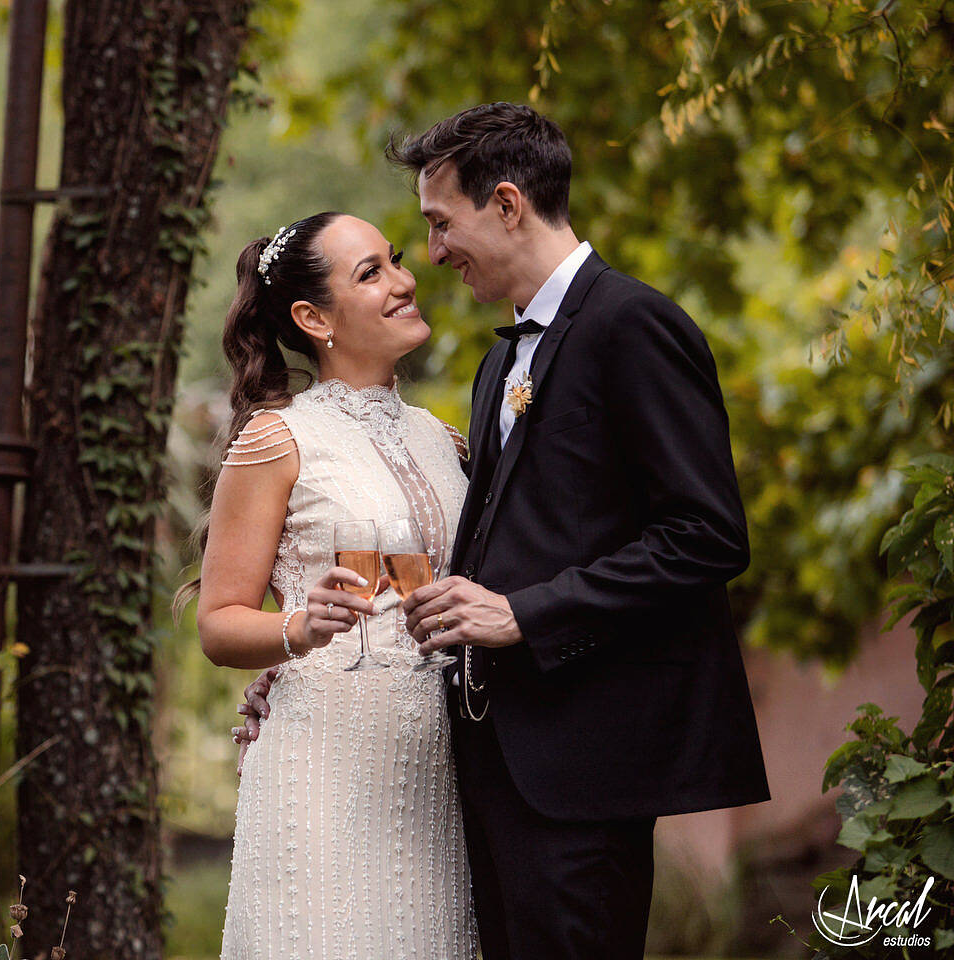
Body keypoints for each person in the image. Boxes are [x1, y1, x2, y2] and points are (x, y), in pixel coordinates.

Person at [235, 103, 770, 960]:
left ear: (509, 205)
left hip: (587, 764)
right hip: (484, 773)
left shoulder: (632, 324)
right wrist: (307, 667)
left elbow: (707, 536)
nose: (433, 256)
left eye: (439, 225)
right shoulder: (497, 367)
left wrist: (526, 613)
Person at [187, 210, 479, 958]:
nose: (406, 281)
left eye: (397, 260)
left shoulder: (445, 440)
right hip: (323, 771)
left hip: (437, 775)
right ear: (313, 318)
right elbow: (219, 623)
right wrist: (299, 629)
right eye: (371, 272)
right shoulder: (278, 438)